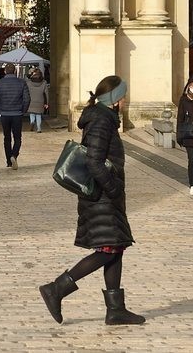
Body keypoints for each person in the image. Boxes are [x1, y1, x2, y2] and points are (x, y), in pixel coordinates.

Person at [39, 75, 145, 327]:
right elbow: (94, 161)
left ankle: (116, 310)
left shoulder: (103, 117)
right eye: (123, 94)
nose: (126, 99)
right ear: (115, 99)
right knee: (107, 251)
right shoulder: (101, 120)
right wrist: (113, 188)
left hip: (105, 196)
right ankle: (56, 289)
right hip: (102, 197)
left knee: (116, 247)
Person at [0, 65, 31, 169]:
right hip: (17, 114)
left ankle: (8, 161)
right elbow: (27, 99)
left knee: (7, 138)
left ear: (5, 71)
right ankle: (14, 155)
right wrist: (23, 111)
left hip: (4, 114)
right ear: (14, 71)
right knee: (17, 137)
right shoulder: (21, 83)